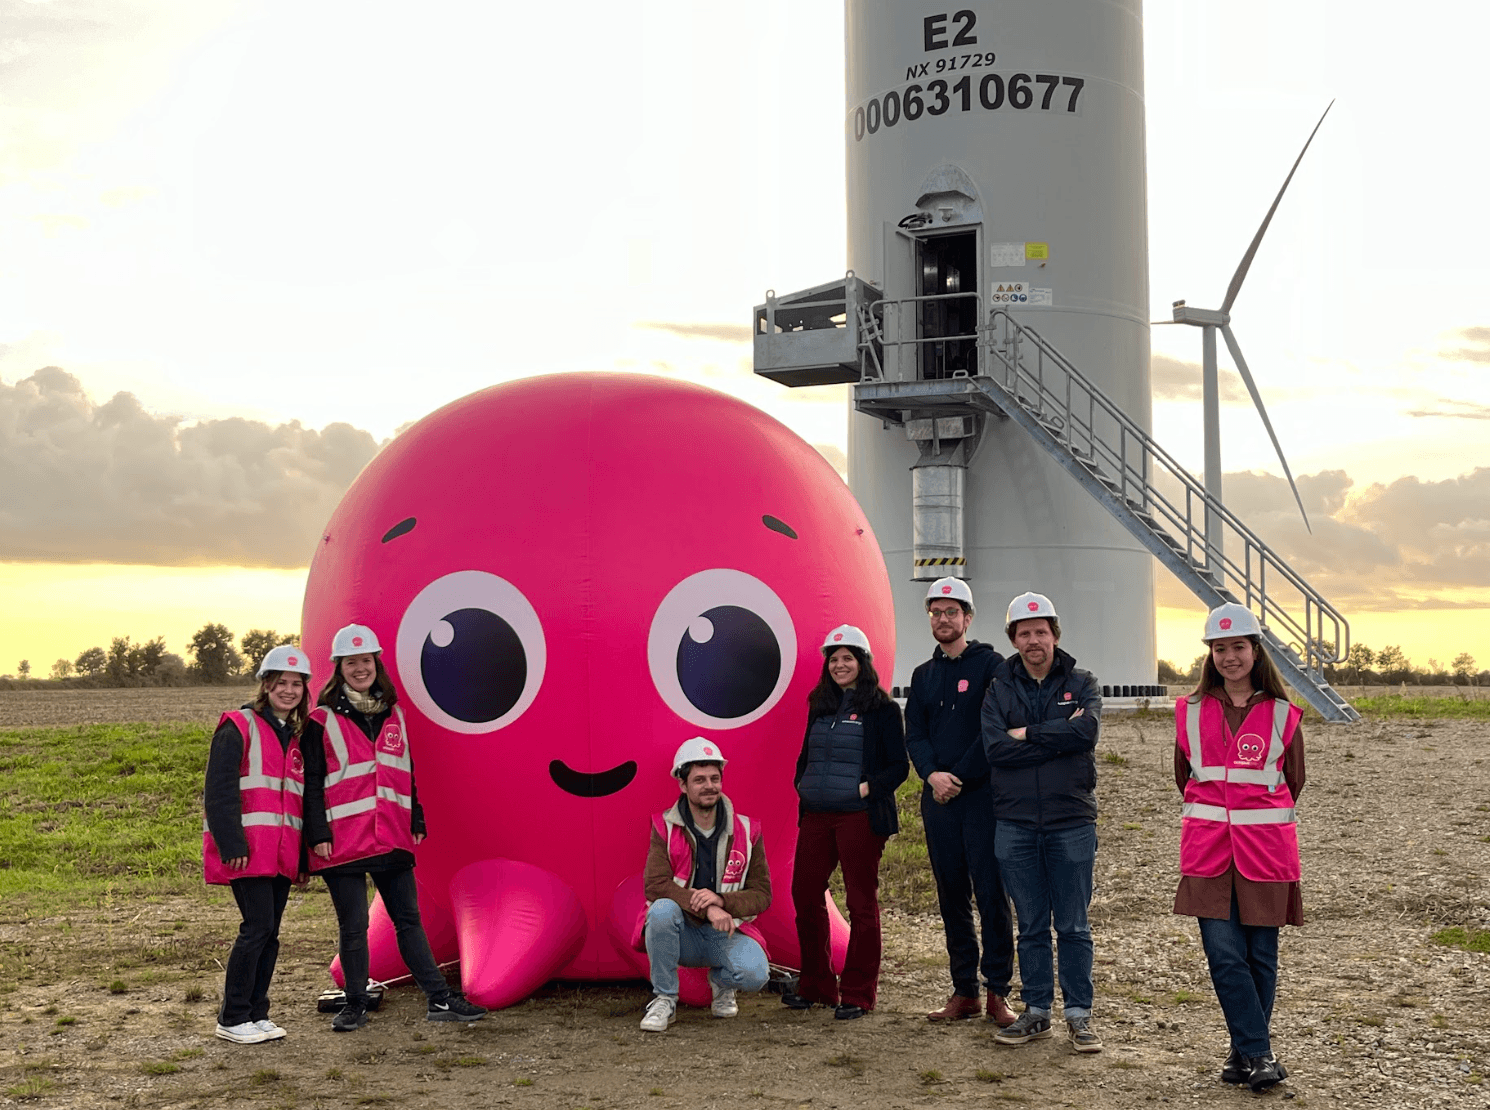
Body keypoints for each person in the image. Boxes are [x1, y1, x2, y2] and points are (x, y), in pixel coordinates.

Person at [301, 623, 487, 1031]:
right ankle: (354, 1004)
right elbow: (310, 782)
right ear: (339, 668)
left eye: (365, 661)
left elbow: (405, 771)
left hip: (391, 835)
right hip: (342, 841)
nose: (359, 669)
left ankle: (439, 1000)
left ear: (375, 664)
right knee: (354, 927)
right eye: (351, 663)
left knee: (408, 921)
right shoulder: (321, 719)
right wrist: (317, 835)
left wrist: (415, 817)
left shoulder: (394, 714)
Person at [1174, 603, 1304, 1092]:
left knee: (1261, 958)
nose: (1230, 657)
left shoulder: (1283, 714)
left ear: (1255, 652)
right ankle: (1260, 1051)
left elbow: (1294, 782)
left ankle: (1242, 1054)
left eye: (1238, 648)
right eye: (1220, 649)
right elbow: (1183, 777)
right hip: (1208, 852)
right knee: (1225, 956)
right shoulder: (1187, 712)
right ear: (1210, 655)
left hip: (1266, 852)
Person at [982, 592, 1104, 1053]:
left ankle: (1079, 1015)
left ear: (1055, 634)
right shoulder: (999, 688)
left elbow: (1086, 732)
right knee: (1030, 925)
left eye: (1041, 631)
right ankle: (1036, 1011)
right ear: (1013, 639)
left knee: (1073, 925)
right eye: (1024, 633)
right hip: (1014, 821)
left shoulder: (1083, 681)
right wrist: (1059, 736)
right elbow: (996, 749)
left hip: (1070, 818)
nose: (1034, 640)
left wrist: (1029, 733)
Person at [904, 577, 1017, 1026]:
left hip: (982, 799)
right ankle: (964, 991)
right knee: (951, 895)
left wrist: (959, 777)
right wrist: (931, 775)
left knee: (991, 894)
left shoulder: (993, 666)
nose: (944, 619)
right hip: (939, 801)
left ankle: (998, 992)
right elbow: (916, 733)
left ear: (968, 618)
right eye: (936, 612)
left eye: (952, 612)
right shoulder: (923, 675)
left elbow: (994, 730)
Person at [784, 625, 908, 1020]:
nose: (839, 665)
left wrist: (865, 791)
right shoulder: (819, 706)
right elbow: (807, 756)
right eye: (833, 659)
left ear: (862, 663)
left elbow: (898, 767)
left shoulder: (883, 710)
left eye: (847, 658)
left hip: (859, 817)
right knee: (804, 893)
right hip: (817, 815)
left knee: (860, 903)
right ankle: (817, 986)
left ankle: (857, 993)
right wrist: (801, 785)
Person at [203, 645, 313, 1044]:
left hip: (280, 853)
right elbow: (218, 791)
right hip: (246, 850)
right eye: (280, 682)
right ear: (265, 685)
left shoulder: (295, 737)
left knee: (270, 932)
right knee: (257, 928)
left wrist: (301, 857)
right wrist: (231, 842)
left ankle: (256, 1012)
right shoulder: (238, 725)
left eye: (296, 684)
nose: (288, 690)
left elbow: (297, 803)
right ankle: (232, 1016)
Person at [638, 738, 772, 1032]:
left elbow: (763, 894)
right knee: (660, 911)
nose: (709, 786)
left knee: (756, 974)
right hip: (680, 931)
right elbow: (655, 885)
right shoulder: (664, 826)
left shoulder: (748, 830)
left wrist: (722, 902)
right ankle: (665, 999)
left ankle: (721, 983)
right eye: (699, 780)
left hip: (724, 933)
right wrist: (708, 907)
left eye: (714, 778)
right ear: (683, 785)